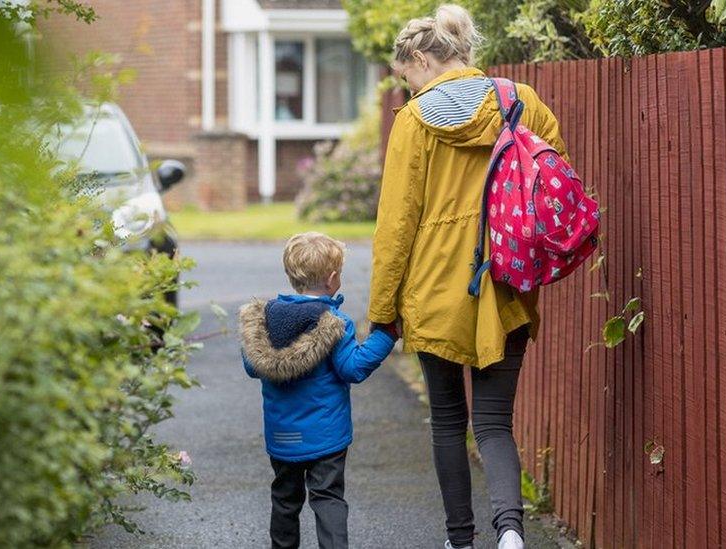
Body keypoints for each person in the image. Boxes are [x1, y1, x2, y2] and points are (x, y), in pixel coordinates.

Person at [368, 5, 569, 549]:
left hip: (435, 290)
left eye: (406, 76)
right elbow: (555, 177)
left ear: (420, 58)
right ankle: (510, 534)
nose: (407, 89)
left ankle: (463, 540)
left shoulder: (413, 122)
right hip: (505, 280)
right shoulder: (521, 102)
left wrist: (382, 310)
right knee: (495, 423)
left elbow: (396, 223)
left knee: (447, 424)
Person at [239, 232, 399, 549]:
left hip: (281, 438)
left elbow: (251, 366)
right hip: (326, 438)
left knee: (285, 499)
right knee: (327, 499)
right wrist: (386, 336)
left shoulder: (265, 321)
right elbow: (353, 368)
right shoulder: (334, 323)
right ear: (332, 278)